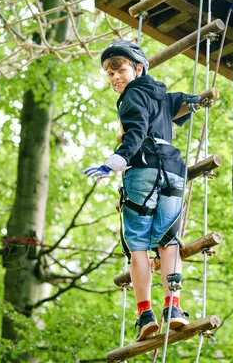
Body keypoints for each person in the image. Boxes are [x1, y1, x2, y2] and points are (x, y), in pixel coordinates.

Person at [84, 40, 211, 342]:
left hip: (143, 170)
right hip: (173, 171)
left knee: (137, 244)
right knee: (168, 241)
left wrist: (114, 161)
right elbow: (180, 103)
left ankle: (145, 316)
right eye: (109, 74)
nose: (115, 78)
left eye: (120, 70)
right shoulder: (162, 95)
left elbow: (137, 129)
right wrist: (191, 103)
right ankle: (174, 308)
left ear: (138, 68)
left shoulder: (131, 96)